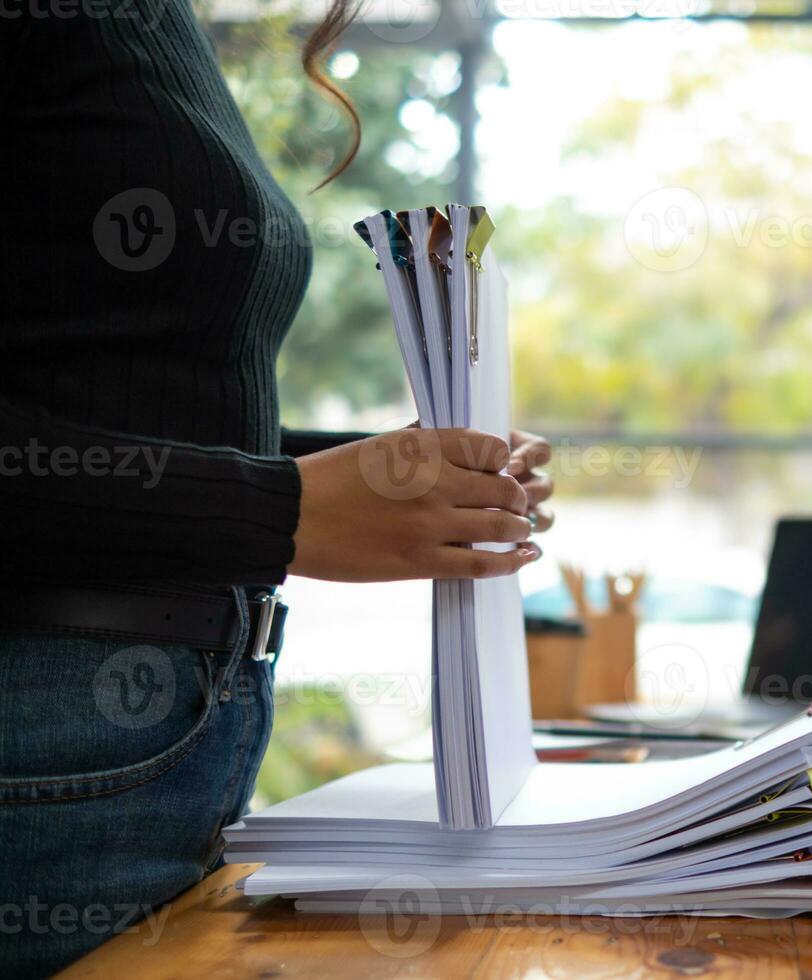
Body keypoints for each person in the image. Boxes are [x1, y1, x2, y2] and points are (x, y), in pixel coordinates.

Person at [0, 0, 550, 973]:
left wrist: (390, 476)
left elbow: (118, 405)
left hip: (161, 727)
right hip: (44, 734)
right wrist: (282, 511)